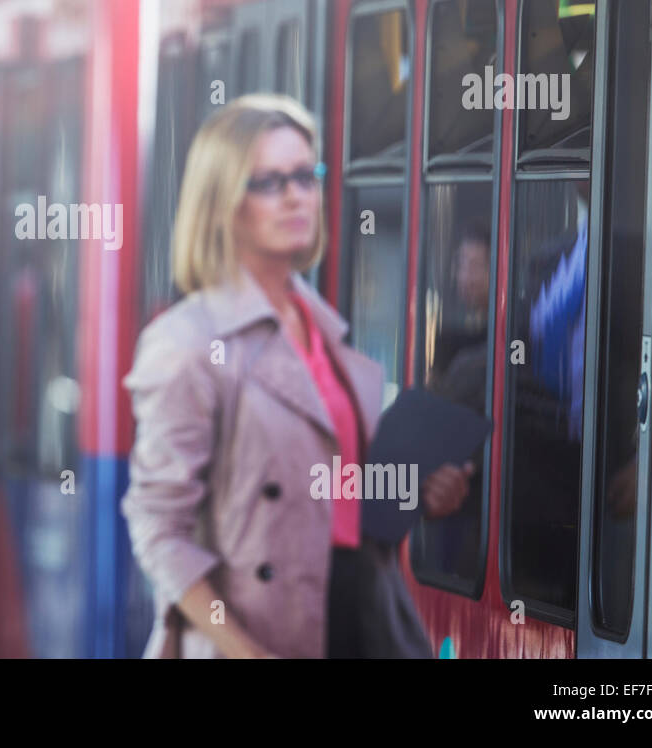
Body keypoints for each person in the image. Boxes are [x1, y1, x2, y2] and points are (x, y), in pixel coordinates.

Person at [121, 93, 470, 659]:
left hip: (357, 614)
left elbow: (326, 492)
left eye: (306, 176)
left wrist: (414, 493)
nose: (295, 197)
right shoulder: (186, 341)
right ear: (224, 202)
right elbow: (159, 530)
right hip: (251, 637)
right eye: (268, 182)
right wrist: (243, 650)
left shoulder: (323, 329)